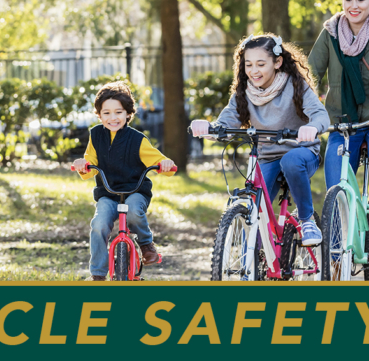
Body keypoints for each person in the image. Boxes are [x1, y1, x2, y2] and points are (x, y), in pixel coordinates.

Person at [191, 34, 330, 246]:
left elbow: (320, 115)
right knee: (254, 204)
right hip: (267, 156)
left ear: (277, 62)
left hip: (301, 152)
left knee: (291, 161)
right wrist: (209, 128)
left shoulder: (295, 85)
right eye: (249, 64)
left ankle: (307, 220)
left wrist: (312, 127)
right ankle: (257, 255)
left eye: (261, 64)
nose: (254, 71)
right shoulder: (245, 92)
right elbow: (228, 122)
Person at [72, 81, 176, 281]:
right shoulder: (95, 136)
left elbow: (156, 158)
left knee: (134, 212)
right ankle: (98, 274)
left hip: (135, 191)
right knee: (99, 224)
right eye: (107, 113)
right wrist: (82, 164)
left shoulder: (137, 140)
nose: (113, 118)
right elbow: (90, 162)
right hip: (108, 194)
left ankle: (146, 244)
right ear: (99, 115)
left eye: (118, 112)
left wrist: (165, 163)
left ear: (128, 114)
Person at [308, 0, 369, 190]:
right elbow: (309, 74)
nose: (354, 6)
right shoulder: (331, 32)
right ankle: (341, 222)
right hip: (342, 122)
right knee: (335, 190)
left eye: (361, 0)